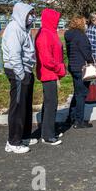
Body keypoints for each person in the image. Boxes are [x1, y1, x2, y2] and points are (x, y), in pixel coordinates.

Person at [2, 3, 37, 154]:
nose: (32, 17)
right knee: (17, 106)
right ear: (22, 14)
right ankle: (13, 141)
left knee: (25, 105)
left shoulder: (25, 29)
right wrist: (22, 75)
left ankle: (23, 136)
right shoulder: (14, 28)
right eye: (30, 14)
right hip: (18, 72)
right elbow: (14, 54)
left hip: (26, 70)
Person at [35, 9, 66, 146]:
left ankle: (47, 130)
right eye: (56, 19)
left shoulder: (50, 32)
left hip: (52, 73)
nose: (58, 22)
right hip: (48, 73)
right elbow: (47, 59)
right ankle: (47, 135)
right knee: (51, 104)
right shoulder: (44, 34)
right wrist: (60, 68)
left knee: (49, 103)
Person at [65, 16, 94, 129]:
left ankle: (71, 117)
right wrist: (92, 62)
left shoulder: (69, 35)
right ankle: (79, 120)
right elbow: (87, 53)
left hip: (73, 65)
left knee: (77, 92)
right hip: (82, 67)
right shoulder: (81, 36)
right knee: (82, 94)